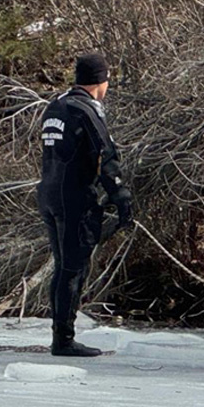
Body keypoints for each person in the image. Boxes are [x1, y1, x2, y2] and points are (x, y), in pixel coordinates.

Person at [37, 53, 133, 357]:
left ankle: (60, 335)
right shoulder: (86, 110)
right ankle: (63, 340)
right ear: (100, 81)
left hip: (49, 195)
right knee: (73, 269)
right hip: (73, 198)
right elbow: (106, 156)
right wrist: (120, 197)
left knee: (63, 267)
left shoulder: (56, 105)